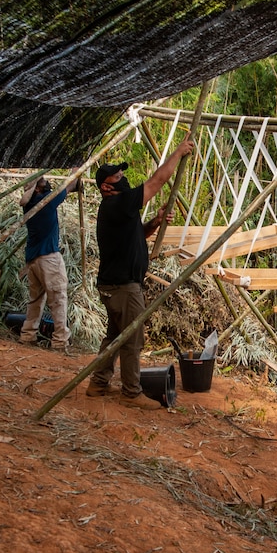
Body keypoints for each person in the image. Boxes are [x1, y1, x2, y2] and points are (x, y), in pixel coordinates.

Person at [87, 137, 195, 400]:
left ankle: (98, 383)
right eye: (117, 176)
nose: (123, 178)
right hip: (123, 286)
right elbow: (156, 182)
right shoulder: (116, 204)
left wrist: (156, 222)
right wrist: (179, 152)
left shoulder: (121, 210)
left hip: (117, 284)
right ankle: (131, 393)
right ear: (105, 186)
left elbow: (139, 234)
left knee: (114, 337)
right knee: (132, 340)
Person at [18, 173, 82, 352]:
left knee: (35, 300)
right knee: (58, 298)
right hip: (49, 259)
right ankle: (60, 339)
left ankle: (28, 334)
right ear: (38, 188)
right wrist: (75, 172)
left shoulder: (30, 206)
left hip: (33, 260)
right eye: (43, 181)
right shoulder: (45, 201)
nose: (47, 183)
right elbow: (69, 186)